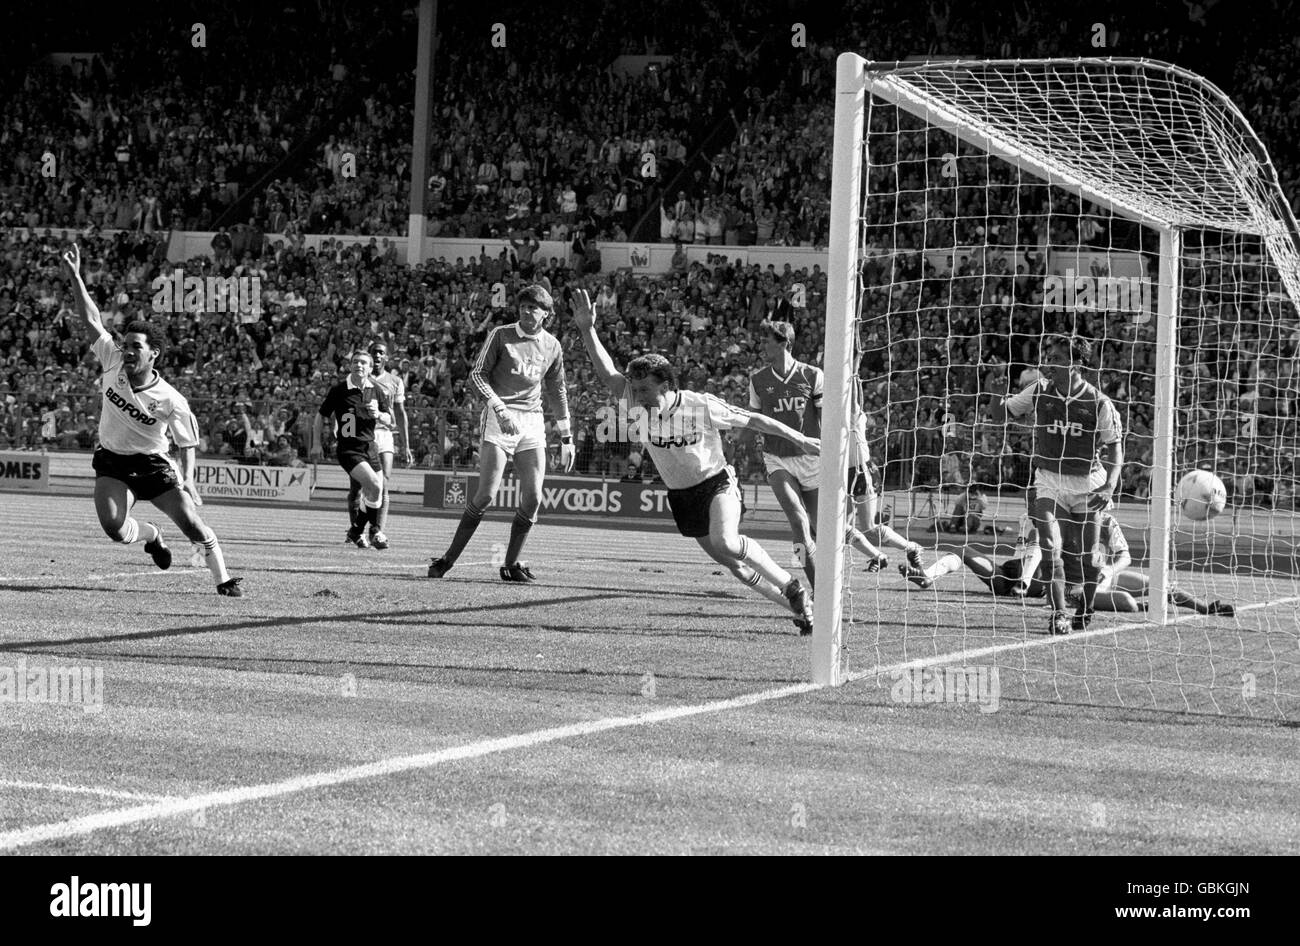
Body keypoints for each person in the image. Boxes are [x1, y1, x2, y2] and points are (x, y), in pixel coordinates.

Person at [570, 288, 816, 634]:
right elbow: (606, 370)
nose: (636, 397)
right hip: (682, 496)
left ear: (666, 386)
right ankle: (805, 611)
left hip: (717, 484)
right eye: (634, 390)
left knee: (726, 542)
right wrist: (586, 329)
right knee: (735, 566)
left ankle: (792, 585)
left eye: (644, 391)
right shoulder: (632, 399)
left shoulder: (699, 404)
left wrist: (802, 439)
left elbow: (755, 420)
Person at [59, 243, 242, 596]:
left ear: (153, 354)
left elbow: (187, 442)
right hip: (113, 461)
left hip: (154, 465)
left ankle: (223, 578)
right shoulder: (111, 359)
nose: (127, 350)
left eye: (135, 347)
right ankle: (153, 535)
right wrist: (76, 276)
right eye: (125, 343)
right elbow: (91, 318)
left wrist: (187, 479)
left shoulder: (171, 399)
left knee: (191, 523)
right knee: (114, 529)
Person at [426, 285, 575, 582]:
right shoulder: (501, 335)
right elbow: (477, 375)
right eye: (523, 306)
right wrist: (500, 409)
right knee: (486, 496)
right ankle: (447, 560)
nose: (526, 311)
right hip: (499, 417)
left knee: (533, 498)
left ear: (546, 314)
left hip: (531, 422)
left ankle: (510, 565)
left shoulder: (552, 346)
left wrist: (567, 437)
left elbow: (557, 391)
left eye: (533, 307)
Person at [991, 334, 1123, 634]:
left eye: (1058, 359)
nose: (1050, 362)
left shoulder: (1098, 402)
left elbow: (1115, 447)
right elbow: (1001, 414)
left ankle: (1086, 607)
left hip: (1088, 483)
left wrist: (1109, 487)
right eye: (1049, 356)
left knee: (1089, 556)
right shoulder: (1039, 390)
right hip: (1049, 479)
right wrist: (994, 393)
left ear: (1077, 365)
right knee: (1050, 546)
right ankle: (1059, 614)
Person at [748, 320, 889, 590]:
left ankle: (854, 564)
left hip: (811, 459)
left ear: (784, 343)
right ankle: (817, 589)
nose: (762, 345)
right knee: (798, 522)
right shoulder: (758, 380)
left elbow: (826, 421)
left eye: (767, 341)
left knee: (825, 528)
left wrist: (830, 453)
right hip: (776, 458)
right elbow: (756, 420)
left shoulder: (812, 375)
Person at [1066, 512, 1235, 616]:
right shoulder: (1066, 519)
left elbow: (1125, 557)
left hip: (1104, 577)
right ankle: (1148, 606)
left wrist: (1109, 571)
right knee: (1128, 603)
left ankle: (1206, 608)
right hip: (1078, 587)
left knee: (1158, 585)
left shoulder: (1107, 521)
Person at [310, 349, 391, 549]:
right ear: (350, 365)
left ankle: (356, 531)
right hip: (348, 448)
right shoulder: (339, 390)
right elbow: (321, 416)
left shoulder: (377, 389)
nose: (359, 365)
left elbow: (390, 419)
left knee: (374, 493)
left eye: (364, 362)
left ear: (371, 368)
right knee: (374, 485)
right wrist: (317, 443)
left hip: (370, 447)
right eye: (355, 361)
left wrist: (379, 415)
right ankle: (375, 530)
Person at [343, 340, 413, 550]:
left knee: (383, 484)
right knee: (357, 487)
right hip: (363, 434)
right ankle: (355, 531)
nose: (378, 356)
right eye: (375, 352)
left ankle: (377, 531)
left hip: (385, 435)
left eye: (382, 353)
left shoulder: (395, 381)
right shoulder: (360, 378)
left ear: (386, 357)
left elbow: (399, 414)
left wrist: (406, 445)